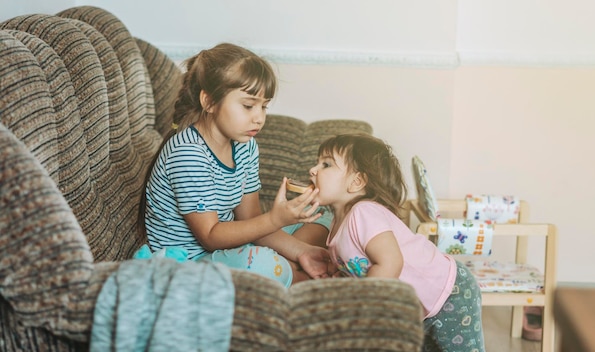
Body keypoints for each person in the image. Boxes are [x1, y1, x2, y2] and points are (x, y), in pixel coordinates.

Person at [138, 43, 335, 287]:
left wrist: (301, 250)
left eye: (264, 106)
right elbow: (210, 237)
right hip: (192, 263)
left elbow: (250, 218)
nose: (259, 118)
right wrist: (275, 220)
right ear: (209, 102)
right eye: (248, 105)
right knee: (262, 263)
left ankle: (295, 265)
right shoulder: (188, 154)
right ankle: (295, 275)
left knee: (324, 216)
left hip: (232, 244)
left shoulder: (245, 145)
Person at [309, 133, 485, 352]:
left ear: (357, 182)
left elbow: (391, 263)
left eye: (326, 164)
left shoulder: (363, 212)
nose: (313, 170)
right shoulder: (336, 226)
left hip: (450, 291)